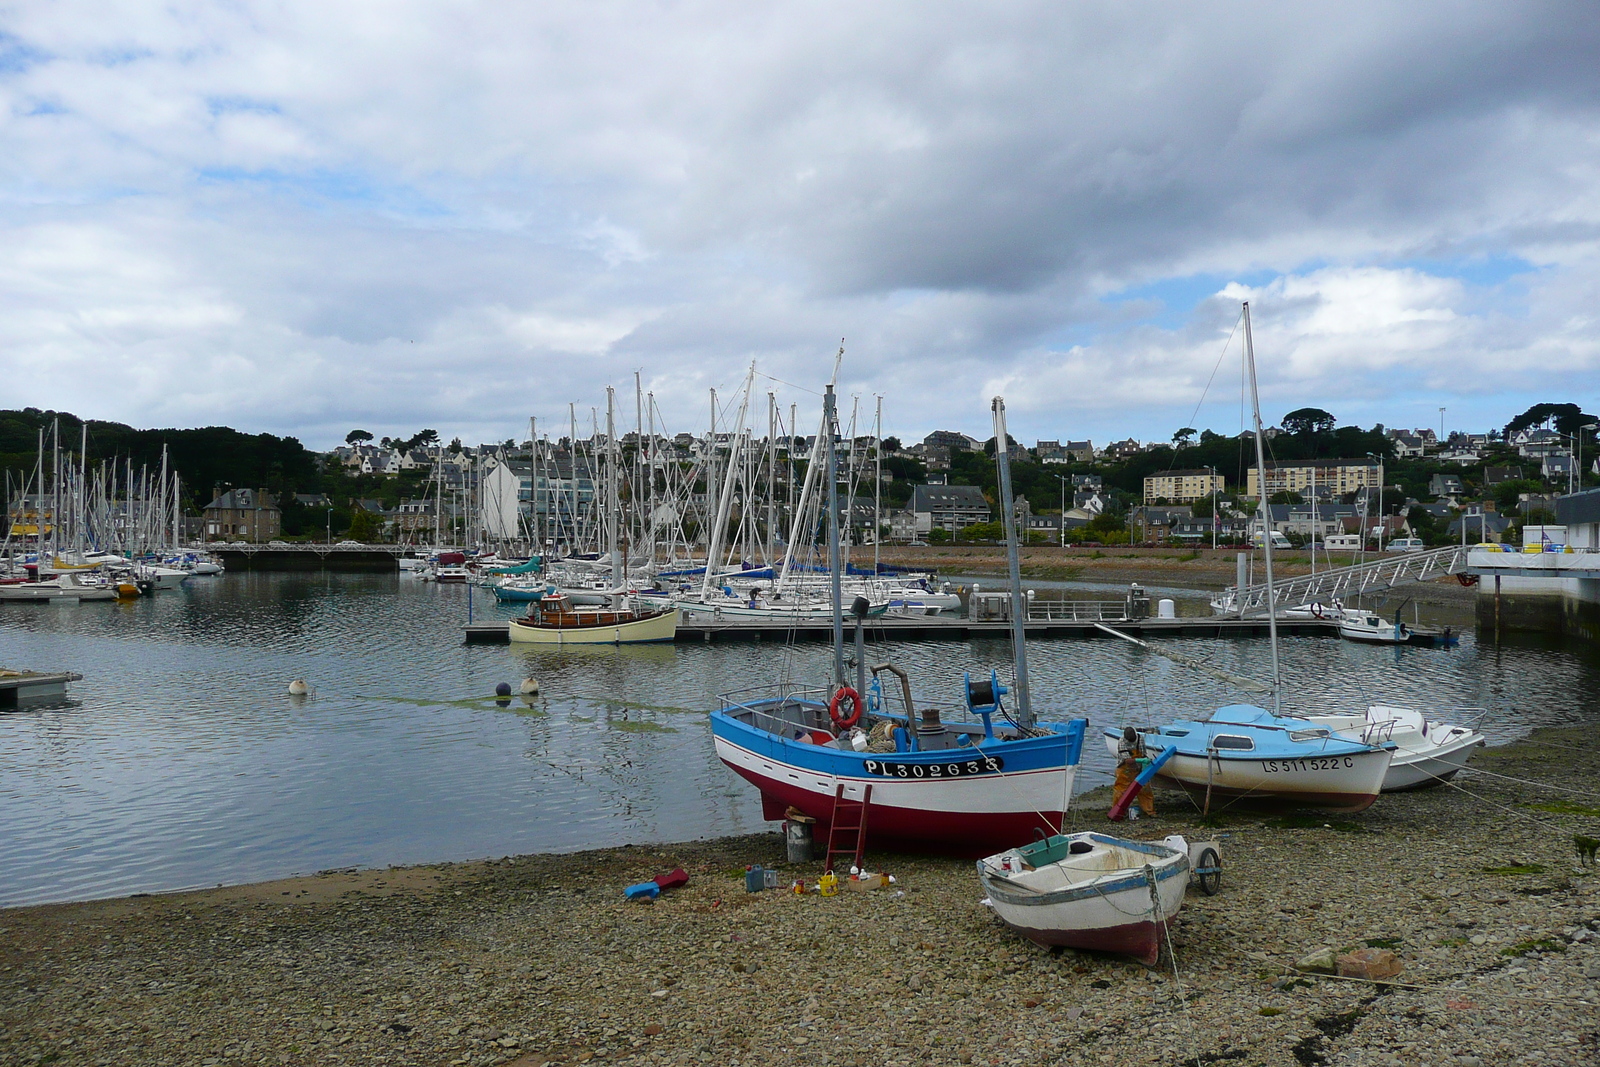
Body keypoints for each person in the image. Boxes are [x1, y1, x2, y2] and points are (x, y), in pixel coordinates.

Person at [1111, 727, 1156, 820]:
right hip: (1125, 769)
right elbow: (1127, 760)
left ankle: (1149, 811)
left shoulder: (1140, 738)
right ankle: (1117, 812)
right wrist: (1140, 760)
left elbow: (1143, 753)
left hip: (1139, 768)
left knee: (1145, 790)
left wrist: (1144, 764)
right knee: (1120, 790)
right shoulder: (1122, 741)